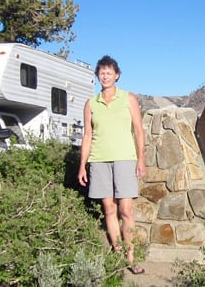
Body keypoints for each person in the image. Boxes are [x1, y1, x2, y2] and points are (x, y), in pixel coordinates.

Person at [78, 55, 146, 275]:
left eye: (109, 72)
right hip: (99, 160)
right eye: (101, 72)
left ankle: (132, 257)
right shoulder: (91, 104)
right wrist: (82, 165)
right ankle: (117, 256)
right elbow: (87, 136)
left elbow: (138, 130)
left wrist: (141, 159)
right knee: (109, 208)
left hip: (125, 158)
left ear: (116, 75)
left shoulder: (128, 99)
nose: (105, 76)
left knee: (126, 210)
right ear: (98, 75)